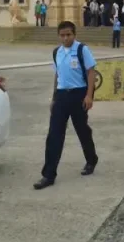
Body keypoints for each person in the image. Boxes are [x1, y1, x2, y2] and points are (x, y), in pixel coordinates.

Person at [33, 21, 99, 190]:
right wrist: (54, 97)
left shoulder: (81, 50)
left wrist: (89, 96)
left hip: (79, 95)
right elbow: (58, 74)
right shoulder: (57, 52)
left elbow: (91, 72)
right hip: (62, 96)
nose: (65, 38)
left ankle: (91, 160)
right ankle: (48, 175)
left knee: (82, 130)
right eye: (62, 35)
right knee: (54, 134)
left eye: (68, 34)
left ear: (74, 34)